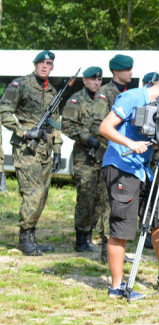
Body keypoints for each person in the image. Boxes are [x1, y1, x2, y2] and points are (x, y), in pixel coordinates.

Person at [98, 72, 159, 300]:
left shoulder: (155, 105)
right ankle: (117, 287)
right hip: (122, 167)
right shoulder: (131, 97)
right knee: (122, 227)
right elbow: (105, 127)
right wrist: (131, 143)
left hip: (143, 169)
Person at [1, 51, 63, 255]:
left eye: (49, 63)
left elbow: (55, 123)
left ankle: (31, 237)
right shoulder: (20, 85)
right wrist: (24, 131)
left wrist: (57, 150)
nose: (45, 66)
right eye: (42, 63)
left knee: (43, 194)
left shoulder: (52, 91)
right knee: (32, 193)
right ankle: (24, 237)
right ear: (35, 64)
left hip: (44, 148)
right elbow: (3, 111)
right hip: (26, 147)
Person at [62, 66, 109, 256]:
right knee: (85, 197)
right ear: (85, 80)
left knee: (100, 198)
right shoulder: (76, 100)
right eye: (93, 79)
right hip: (84, 156)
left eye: (99, 80)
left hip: (102, 154)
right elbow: (66, 125)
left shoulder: (103, 100)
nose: (97, 83)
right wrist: (85, 137)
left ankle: (90, 235)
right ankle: (81, 238)